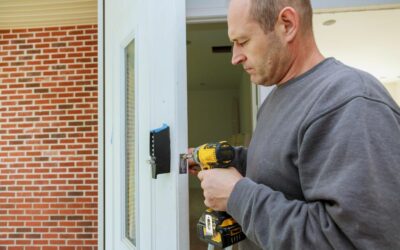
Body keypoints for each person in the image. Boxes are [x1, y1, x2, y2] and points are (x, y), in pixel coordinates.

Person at [191, 0, 400, 249]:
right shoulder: (273, 101)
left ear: (287, 25)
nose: (235, 57)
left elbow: (356, 241)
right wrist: (235, 160)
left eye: (243, 41)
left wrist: (237, 196)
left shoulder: (349, 100)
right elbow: (288, 171)